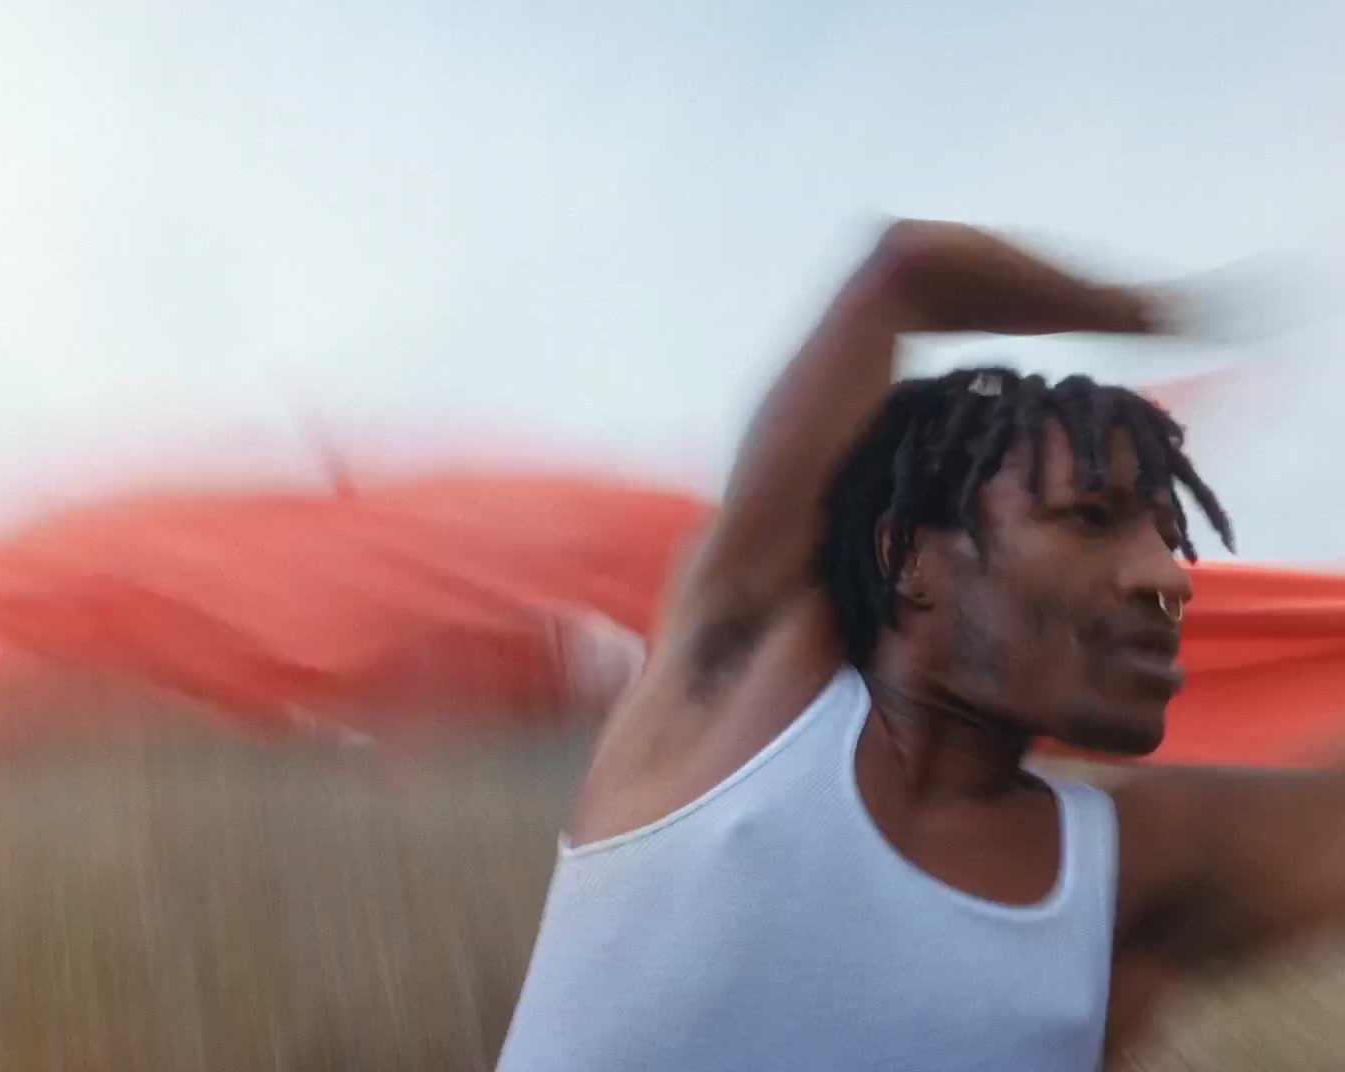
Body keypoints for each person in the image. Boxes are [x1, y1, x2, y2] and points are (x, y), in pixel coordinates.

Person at [493, 220, 1345, 1072]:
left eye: (1170, 540)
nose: (1169, 578)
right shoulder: (744, 675)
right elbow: (910, 273)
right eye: (1091, 519)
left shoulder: (1127, 873)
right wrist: (1194, 313)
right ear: (909, 556)